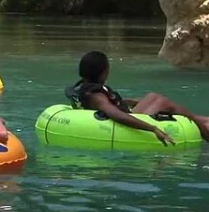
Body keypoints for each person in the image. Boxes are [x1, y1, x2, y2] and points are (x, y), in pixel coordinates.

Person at [66, 51, 209, 145]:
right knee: (162, 101)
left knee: (152, 97)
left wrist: (131, 101)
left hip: (128, 110)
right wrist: (153, 128)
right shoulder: (96, 96)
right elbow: (116, 114)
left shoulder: (84, 86)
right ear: (102, 72)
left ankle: (202, 120)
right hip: (129, 119)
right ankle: (203, 130)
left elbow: (111, 102)